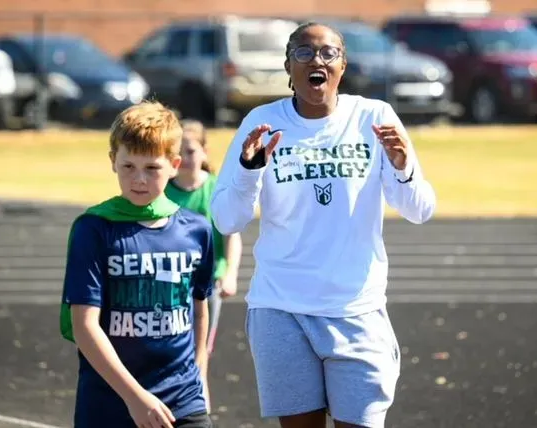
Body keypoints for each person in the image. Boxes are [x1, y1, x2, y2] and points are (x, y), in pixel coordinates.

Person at [210, 22, 436, 428]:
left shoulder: (375, 117)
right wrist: (249, 170)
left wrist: (403, 168)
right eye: (304, 52)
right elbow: (227, 219)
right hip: (282, 309)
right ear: (288, 66)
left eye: (328, 53)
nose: (317, 60)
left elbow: (420, 210)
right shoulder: (261, 123)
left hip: (356, 309)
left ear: (342, 66)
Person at [60, 101, 214, 428]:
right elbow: (84, 326)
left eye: (152, 168)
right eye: (128, 166)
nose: (139, 180)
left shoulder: (197, 229)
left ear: (174, 164)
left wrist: (200, 375)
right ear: (112, 161)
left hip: (183, 400)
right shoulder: (94, 229)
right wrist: (135, 398)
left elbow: (199, 307)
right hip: (110, 400)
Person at [165, 119, 243, 411]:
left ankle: (199, 412)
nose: (185, 158)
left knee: (200, 354)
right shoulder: (164, 190)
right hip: (170, 283)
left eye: (191, 150)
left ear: (204, 152)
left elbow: (231, 235)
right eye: (179, 151)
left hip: (208, 284)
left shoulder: (215, 189)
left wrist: (231, 273)